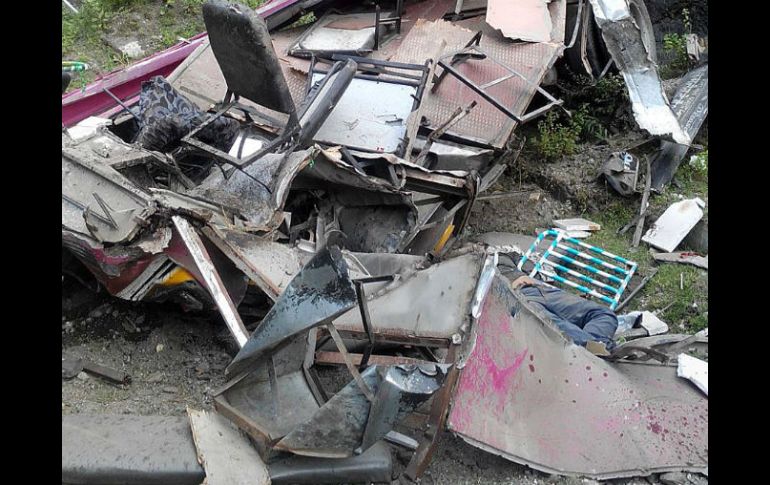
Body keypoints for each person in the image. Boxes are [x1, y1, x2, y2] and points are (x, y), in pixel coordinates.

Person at [507, 270, 619, 352]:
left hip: (536, 288)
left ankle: (596, 346)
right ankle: (597, 347)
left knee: (604, 314)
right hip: (514, 297)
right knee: (553, 324)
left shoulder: (504, 254)